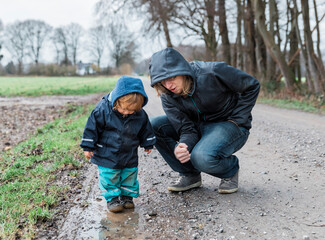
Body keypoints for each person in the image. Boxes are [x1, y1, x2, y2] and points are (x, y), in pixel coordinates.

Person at [149, 48, 260, 194]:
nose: (168, 85)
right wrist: (183, 145)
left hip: (228, 124)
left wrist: (238, 119)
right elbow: (186, 128)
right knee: (153, 125)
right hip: (198, 126)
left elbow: (252, 85)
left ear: (181, 71)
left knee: (201, 157)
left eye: (171, 78)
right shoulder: (167, 94)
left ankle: (230, 170)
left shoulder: (212, 72)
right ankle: (190, 175)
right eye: (163, 81)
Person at [80, 76, 156, 212]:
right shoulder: (102, 110)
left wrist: (148, 143)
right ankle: (113, 199)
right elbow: (92, 128)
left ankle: (127, 197)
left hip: (129, 152)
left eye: (131, 111)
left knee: (129, 174)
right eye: (124, 109)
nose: (127, 113)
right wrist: (88, 146)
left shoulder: (140, 114)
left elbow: (145, 128)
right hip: (106, 152)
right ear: (116, 101)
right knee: (109, 176)